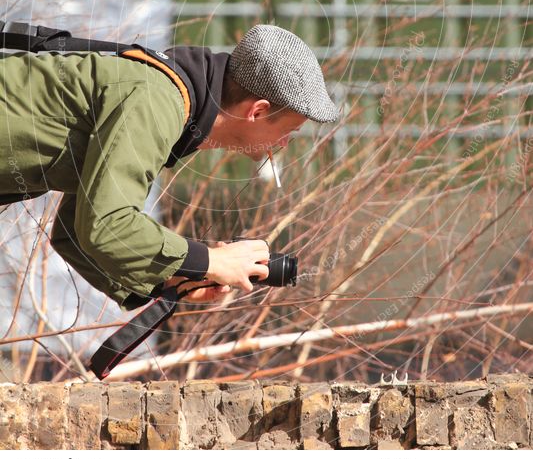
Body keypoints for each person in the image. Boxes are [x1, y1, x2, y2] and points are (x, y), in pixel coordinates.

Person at [0, 24, 339, 309]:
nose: (284, 144)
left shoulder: (175, 106)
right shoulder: (158, 102)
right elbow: (106, 224)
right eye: (289, 132)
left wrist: (171, 279)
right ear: (259, 112)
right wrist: (212, 260)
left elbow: (75, 231)